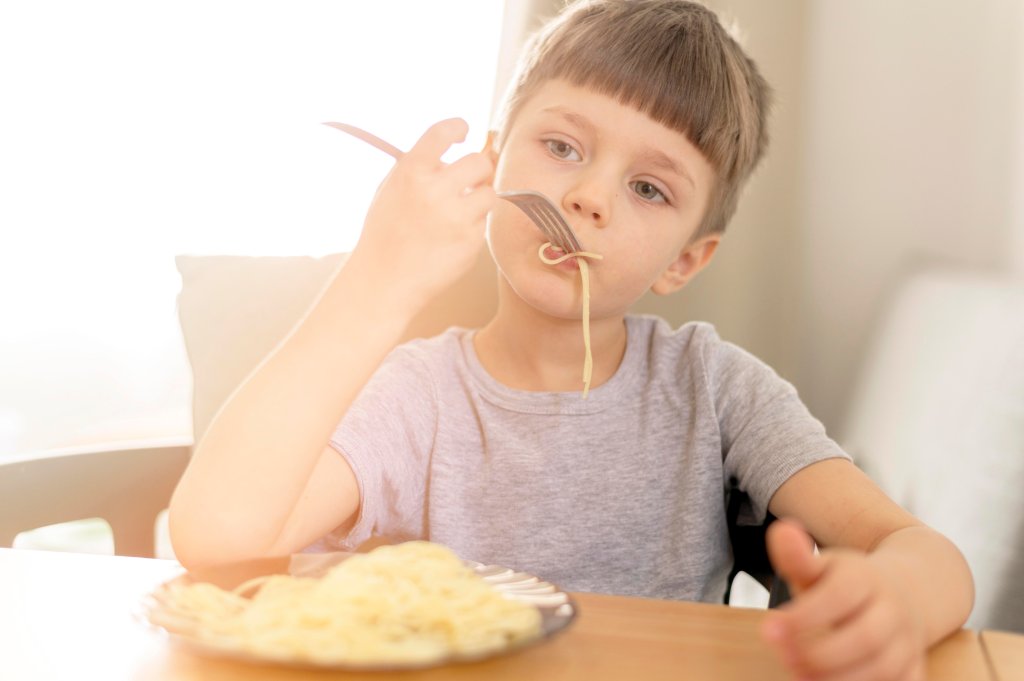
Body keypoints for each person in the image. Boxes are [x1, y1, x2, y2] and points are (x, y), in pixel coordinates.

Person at [169, 1, 974, 679]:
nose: (588, 196)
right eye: (562, 148)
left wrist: (896, 598)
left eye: (649, 188)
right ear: (492, 162)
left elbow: (923, 552)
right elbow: (216, 538)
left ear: (686, 259)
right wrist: (379, 276)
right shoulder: (416, 395)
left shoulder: (716, 389)